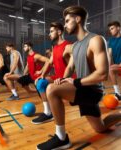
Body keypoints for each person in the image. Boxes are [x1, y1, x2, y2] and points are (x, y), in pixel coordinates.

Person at [37, 6, 121, 150]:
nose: (65, 24)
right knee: (100, 127)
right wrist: (62, 79)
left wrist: (74, 82)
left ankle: (61, 138)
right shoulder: (75, 46)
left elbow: (102, 73)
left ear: (78, 19)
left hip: (92, 91)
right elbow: (70, 67)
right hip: (82, 88)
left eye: (68, 20)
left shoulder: (96, 40)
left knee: (51, 89)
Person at [32, 22, 72, 124]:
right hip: (57, 77)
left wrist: (65, 79)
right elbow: (49, 63)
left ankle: (53, 109)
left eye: (51, 31)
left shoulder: (68, 46)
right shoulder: (55, 47)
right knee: (40, 82)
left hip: (67, 79)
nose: (49, 34)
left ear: (59, 32)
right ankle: (48, 113)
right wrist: (42, 75)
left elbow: (73, 67)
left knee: (44, 84)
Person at [107, 21, 121, 100]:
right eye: (110, 29)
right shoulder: (111, 41)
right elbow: (109, 54)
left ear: (118, 28)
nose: (110, 31)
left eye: (112, 28)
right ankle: (117, 93)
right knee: (110, 69)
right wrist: (107, 66)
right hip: (118, 65)